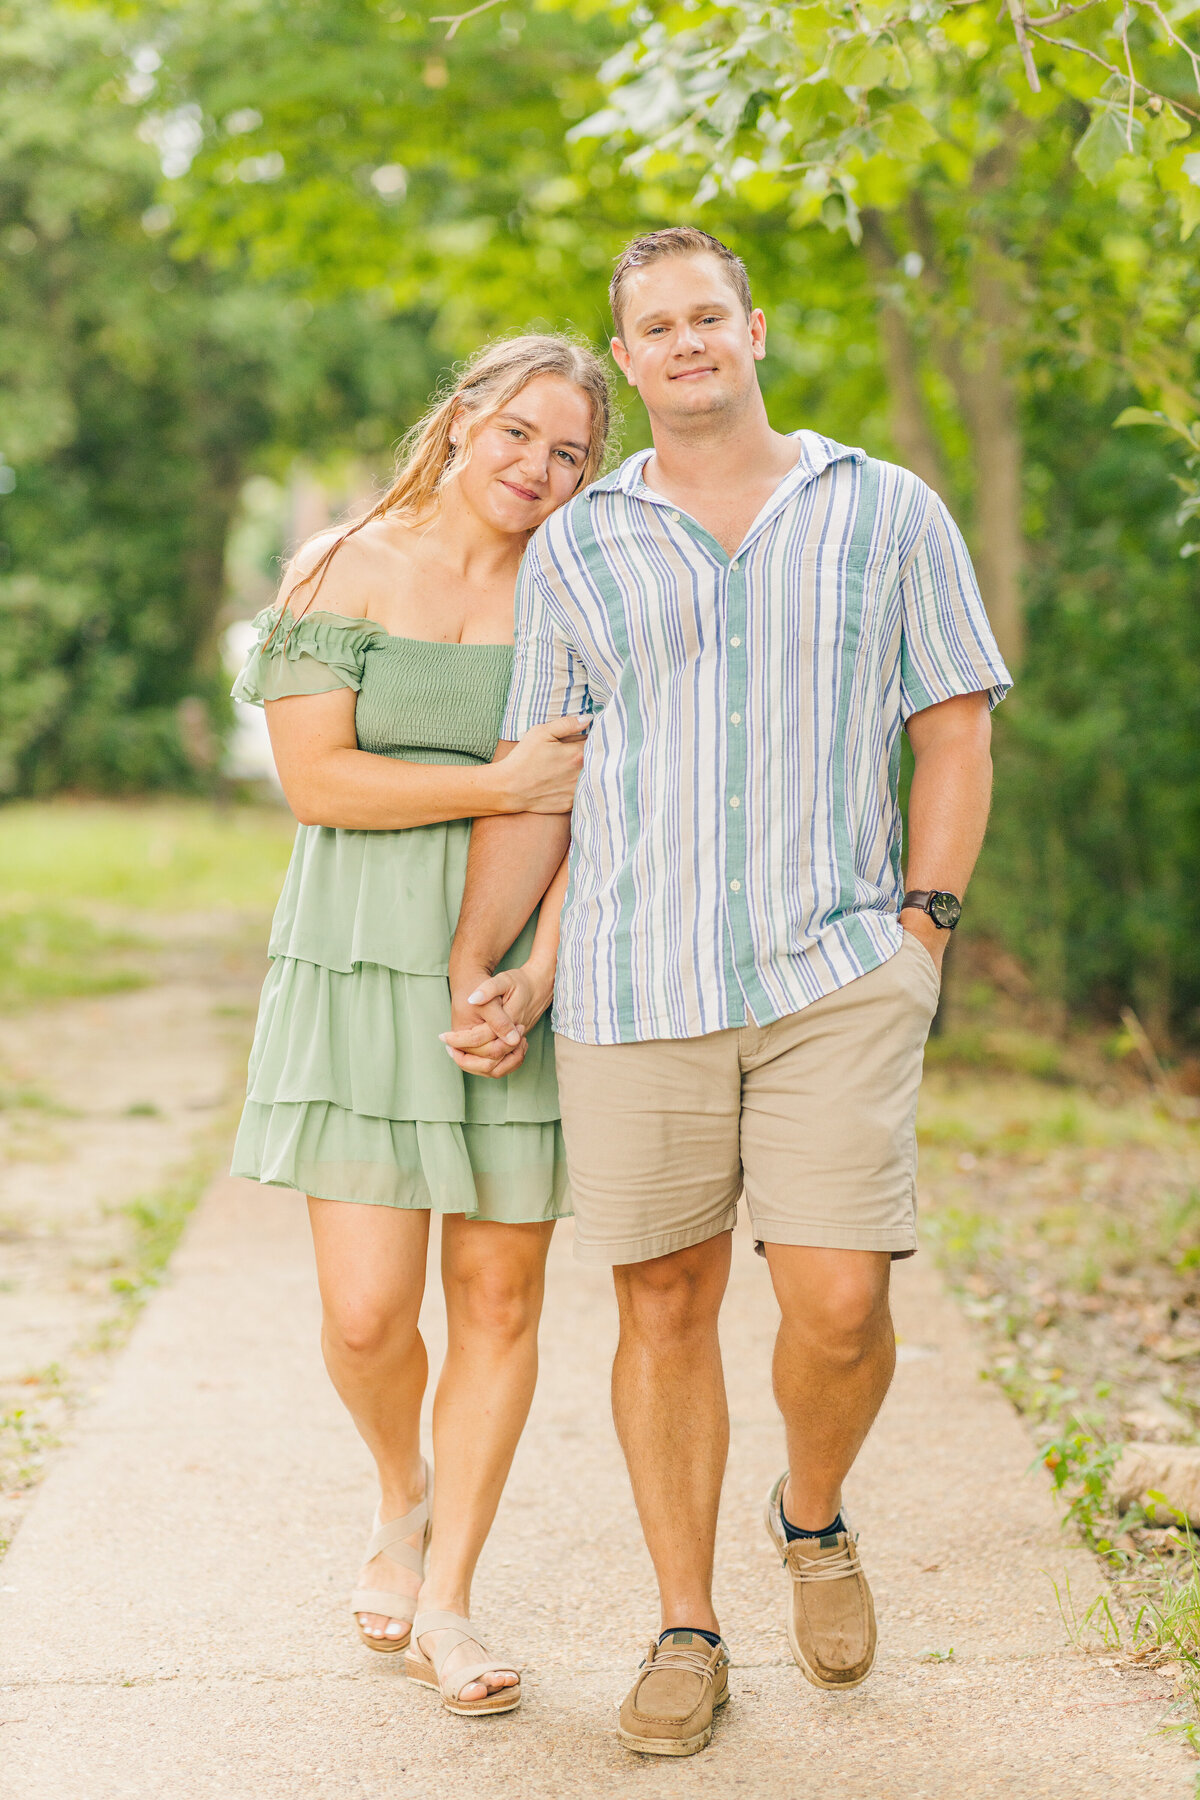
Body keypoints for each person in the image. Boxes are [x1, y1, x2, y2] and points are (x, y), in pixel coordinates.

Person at [444, 229, 1012, 1755]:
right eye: (657, 327)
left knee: (839, 1303)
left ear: (755, 331)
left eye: (710, 316)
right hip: (638, 980)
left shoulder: (885, 510)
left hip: (838, 967)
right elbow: (546, 780)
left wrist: (925, 934)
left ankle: (812, 1518)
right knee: (666, 1302)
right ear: (628, 364)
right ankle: (687, 1627)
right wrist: (480, 959)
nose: (688, 341)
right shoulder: (580, 544)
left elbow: (952, 731)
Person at [229, 335, 610, 1716]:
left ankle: (450, 1592)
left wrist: (543, 971)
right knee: (368, 1310)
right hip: (357, 957)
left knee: (500, 1296)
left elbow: (603, 803)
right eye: (519, 434)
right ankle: (403, 1487)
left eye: (570, 453)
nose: (537, 469)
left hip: (516, 970)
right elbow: (318, 783)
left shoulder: (580, 588)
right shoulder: (345, 564)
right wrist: (496, 780)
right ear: (462, 422)